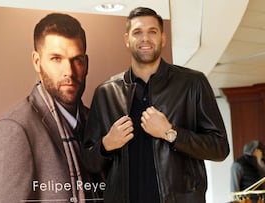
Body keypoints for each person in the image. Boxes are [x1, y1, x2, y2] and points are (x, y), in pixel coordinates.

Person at [81, 7, 230, 203]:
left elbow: (219, 148)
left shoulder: (192, 83)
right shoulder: (106, 92)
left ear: (163, 38)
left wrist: (170, 133)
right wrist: (107, 144)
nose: (145, 38)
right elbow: (88, 161)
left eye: (152, 32)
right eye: (137, 32)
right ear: (127, 39)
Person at [0, 13, 104, 203]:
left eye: (77, 60)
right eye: (56, 59)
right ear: (37, 62)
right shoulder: (14, 131)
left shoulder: (97, 125)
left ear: (86, 64)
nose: (69, 72)